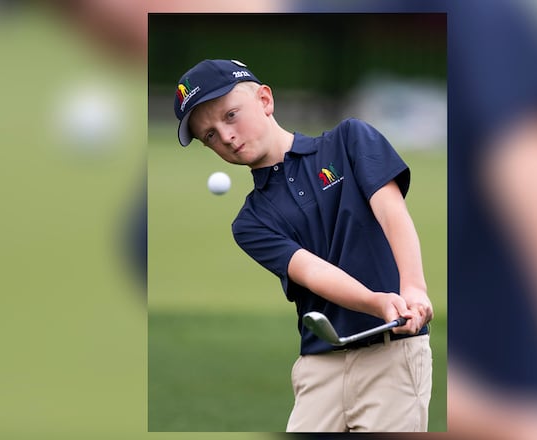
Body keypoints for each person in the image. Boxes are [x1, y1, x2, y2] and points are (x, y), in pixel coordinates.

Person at [173, 59, 434, 432]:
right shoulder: (250, 222)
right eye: (209, 136)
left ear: (265, 100)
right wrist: (375, 301)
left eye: (230, 116)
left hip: (392, 355)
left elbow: (393, 215)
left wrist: (413, 287)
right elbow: (312, 271)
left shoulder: (349, 141)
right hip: (318, 369)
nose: (225, 137)